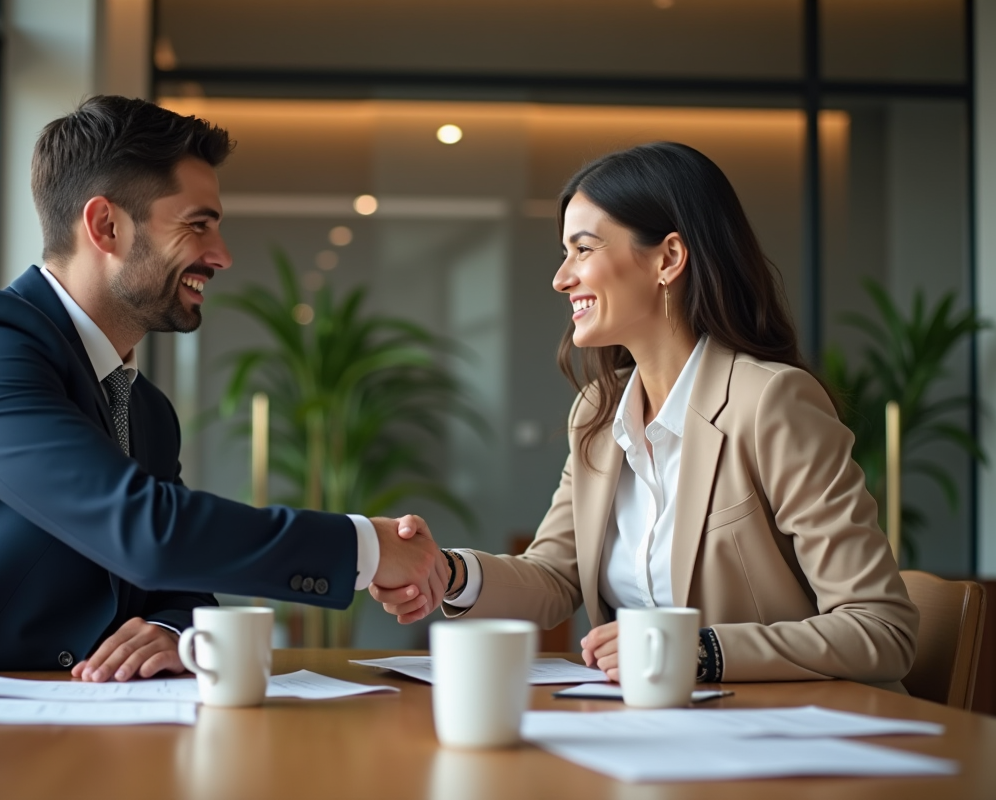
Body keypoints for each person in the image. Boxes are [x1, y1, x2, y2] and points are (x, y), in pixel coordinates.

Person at [0, 96, 446, 702]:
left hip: (43, 729)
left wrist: (169, 630)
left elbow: (183, 585)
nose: (220, 256)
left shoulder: (148, 412)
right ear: (105, 225)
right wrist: (363, 547)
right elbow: (144, 529)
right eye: (198, 225)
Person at [373, 142, 918, 689]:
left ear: (668, 258)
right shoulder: (598, 412)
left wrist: (695, 650)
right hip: (656, 733)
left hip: (783, 736)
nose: (562, 278)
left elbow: (880, 628)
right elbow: (554, 576)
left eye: (582, 249)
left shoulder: (770, 402)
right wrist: (447, 573)